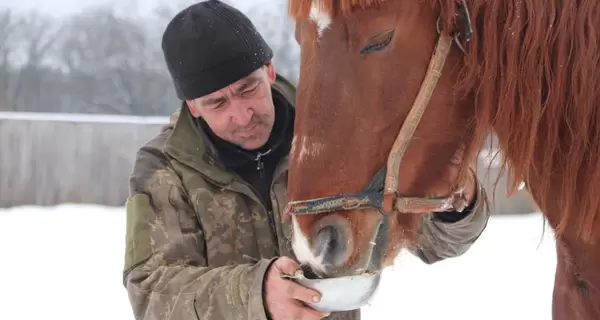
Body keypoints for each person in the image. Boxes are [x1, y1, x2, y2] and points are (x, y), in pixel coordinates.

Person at [122, 1, 491, 320]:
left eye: (247, 88)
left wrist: (454, 203)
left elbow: (431, 243)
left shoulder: (338, 137)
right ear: (193, 108)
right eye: (217, 103)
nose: (242, 113)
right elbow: (152, 293)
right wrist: (256, 296)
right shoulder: (165, 168)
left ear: (268, 69)